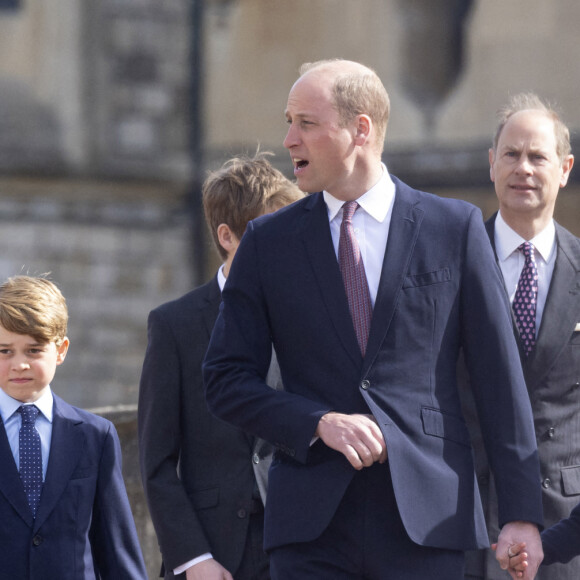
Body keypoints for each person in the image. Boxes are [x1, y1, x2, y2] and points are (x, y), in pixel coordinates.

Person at [203, 59, 544, 580]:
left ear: (360, 128)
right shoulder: (267, 244)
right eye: (288, 121)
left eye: (306, 123)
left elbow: (499, 379)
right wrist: (317, 422)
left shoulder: (453, 227)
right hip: (310, 527)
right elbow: (224, 379)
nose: (289, 139)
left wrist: (521, 514)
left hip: (430, 521)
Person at [138, 152, 304, 580]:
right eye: (269, 234)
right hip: (213, 555)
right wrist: (194, 559)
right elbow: (156, 462)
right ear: (227, 236)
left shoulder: (310, 313)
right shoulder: (174, 324)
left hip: (298, 546)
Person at [462, 92, 579, 580]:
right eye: (511, 154)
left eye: (538, 156)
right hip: (466, 514)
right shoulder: (453, 265)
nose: (523, 168)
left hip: (564, 523)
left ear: (565, 168)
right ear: (491, 164)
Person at [0, 275, 146, 579]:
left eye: (34, 350)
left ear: (61, 349)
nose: (19, 364)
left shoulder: (96, 436)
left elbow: (116, 550)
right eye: (5, 351)